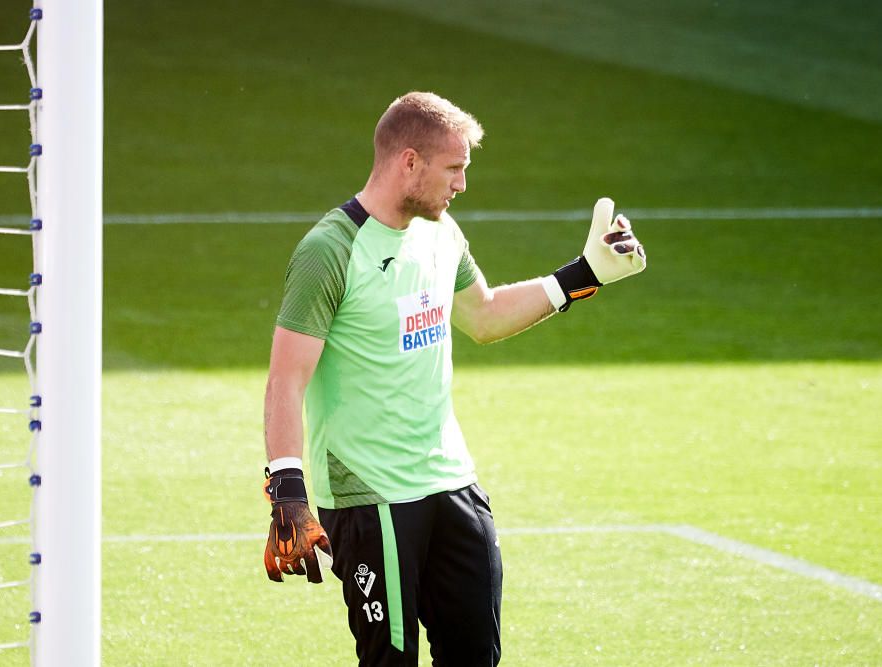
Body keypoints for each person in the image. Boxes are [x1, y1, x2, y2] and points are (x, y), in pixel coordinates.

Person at [261, 91, 646, 666]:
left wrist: (581, 275)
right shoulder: (331, 251)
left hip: (451, 483)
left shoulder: (440, 233)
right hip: (372, 498)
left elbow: (484, 315)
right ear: (408, 161)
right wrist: (287, 491)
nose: (462, 184)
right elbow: (286, 379)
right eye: (455, 168)